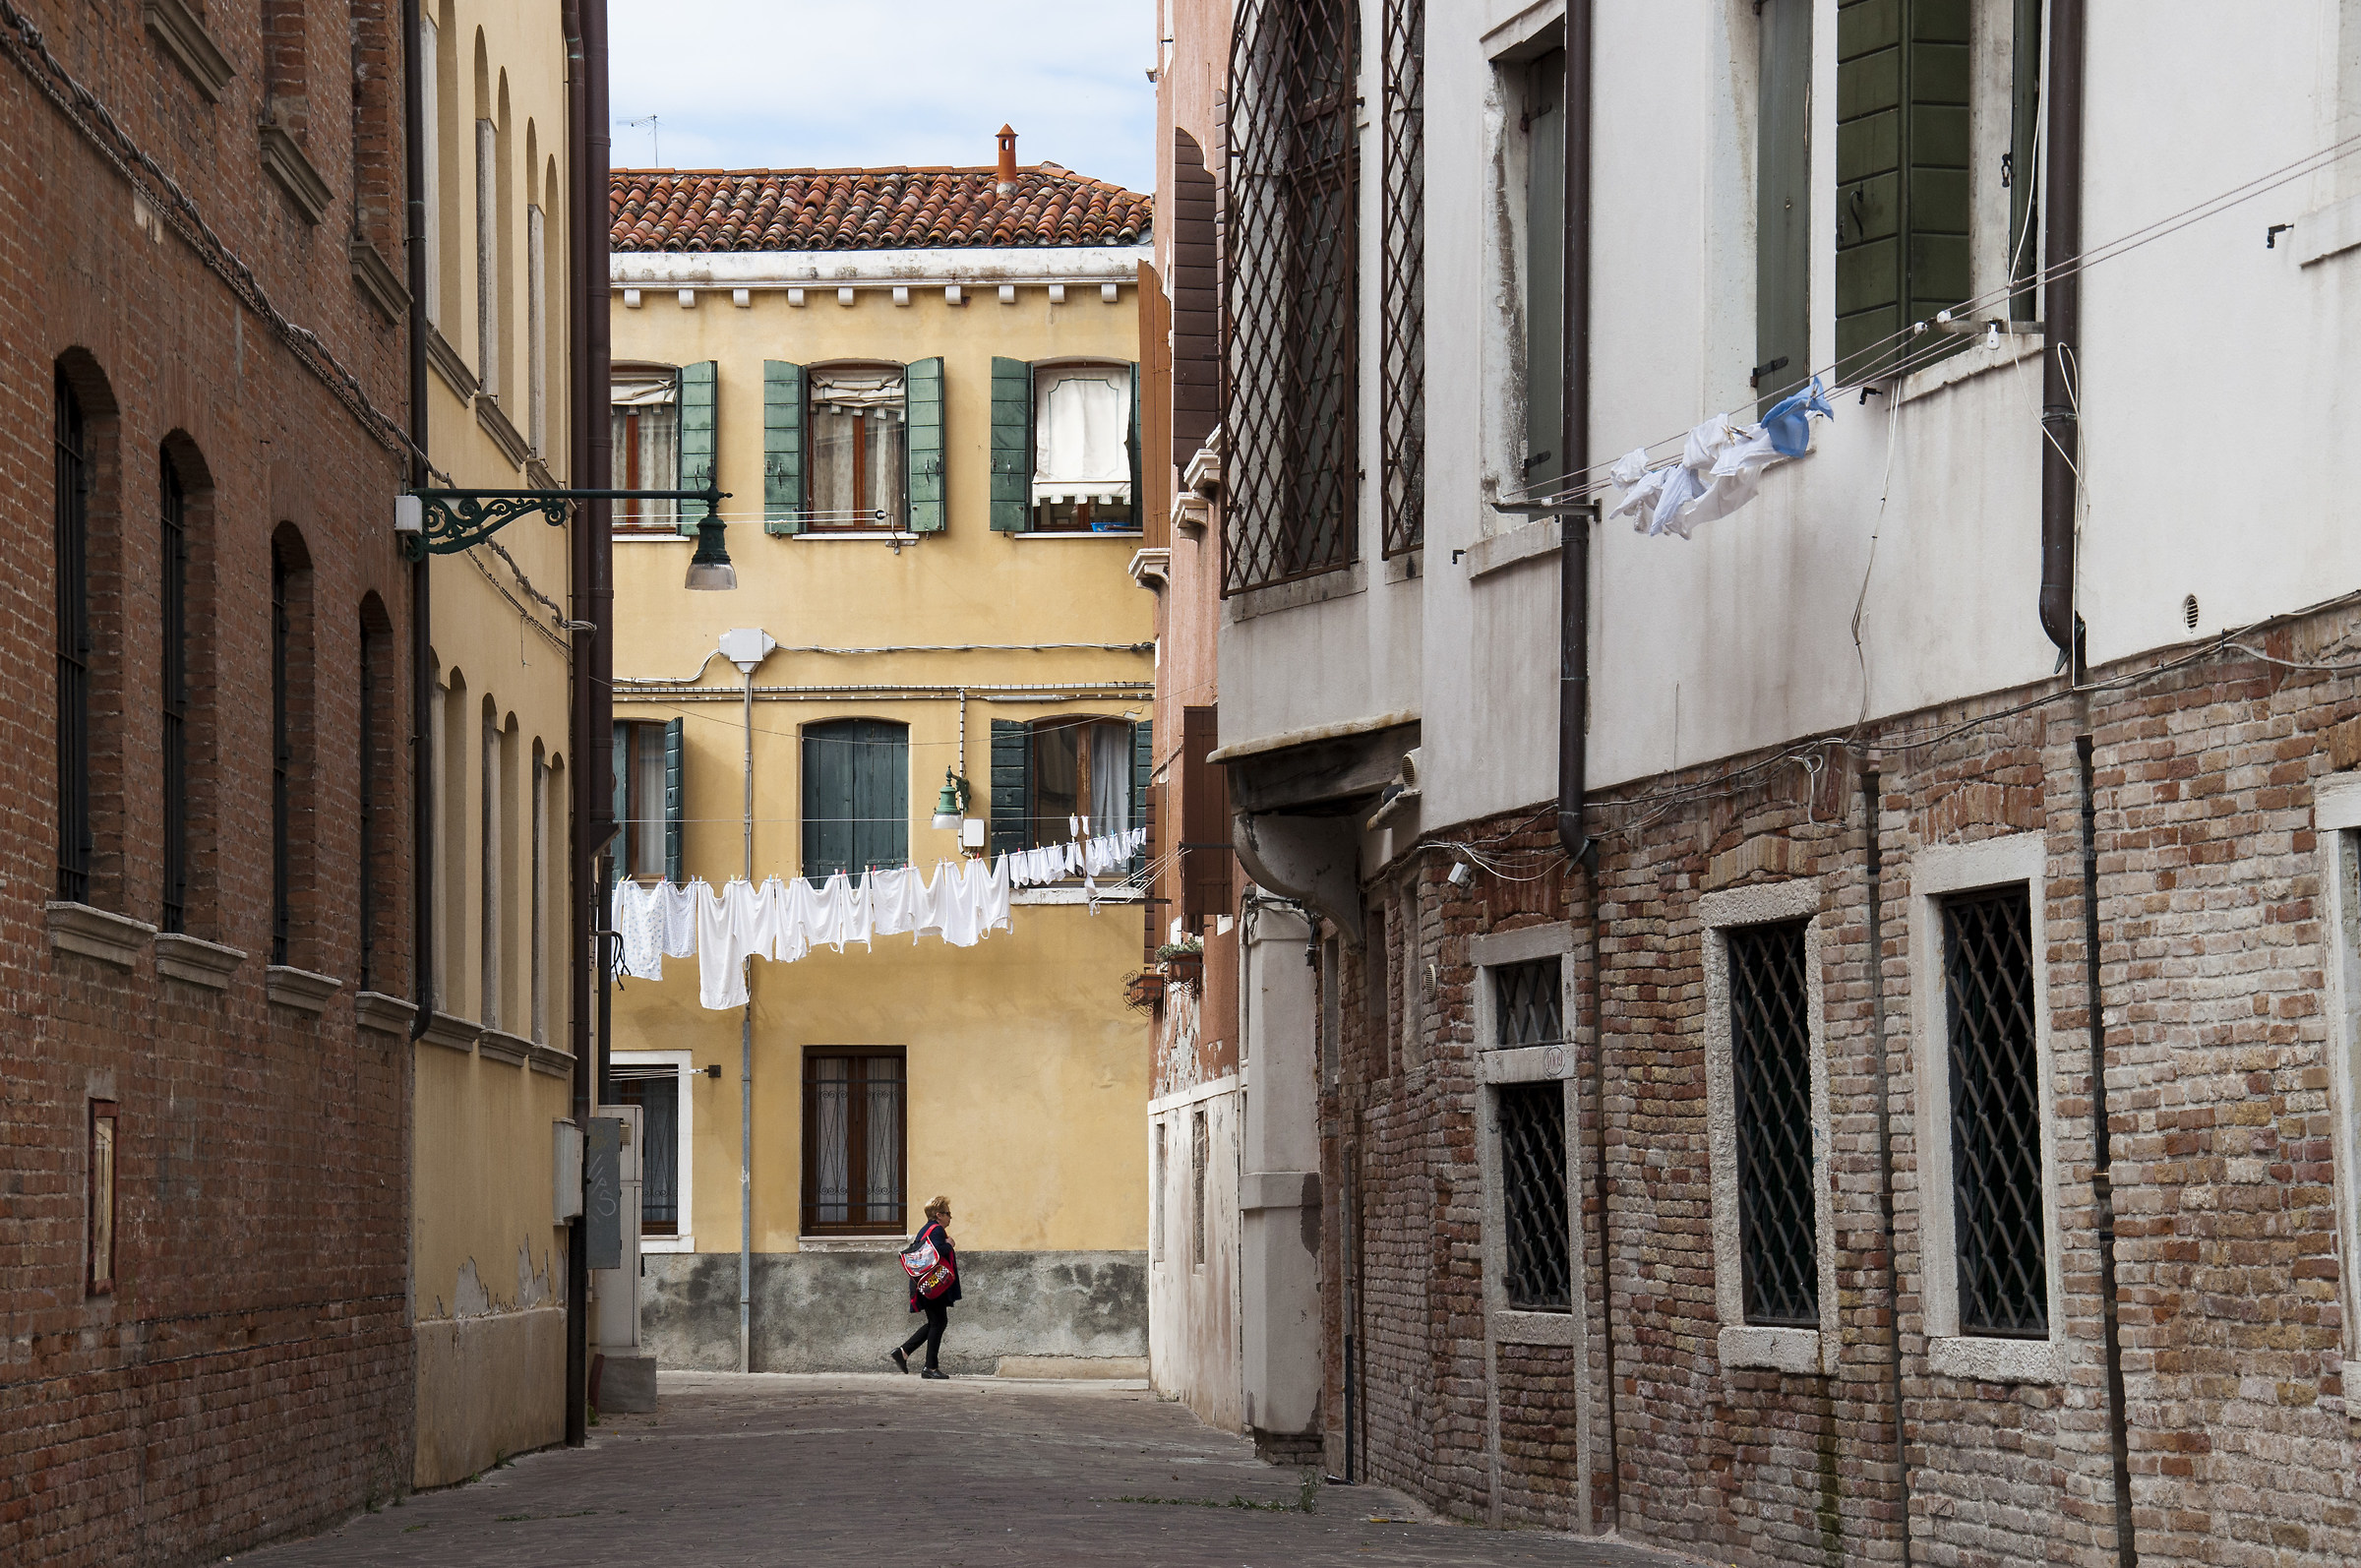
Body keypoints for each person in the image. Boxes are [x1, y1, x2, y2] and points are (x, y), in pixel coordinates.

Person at [888, 1195, 959, 1379]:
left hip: (927, 1284)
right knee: (938, 1322)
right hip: (932, 1284)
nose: (950, 1217)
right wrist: (949, 1245)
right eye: (947, 1213)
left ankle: (904, 1352)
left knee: (936, 1322)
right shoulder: (935, 1231)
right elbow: (933, 1255)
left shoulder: (926, 1230)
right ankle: (930, 1367)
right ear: (938, 1215)